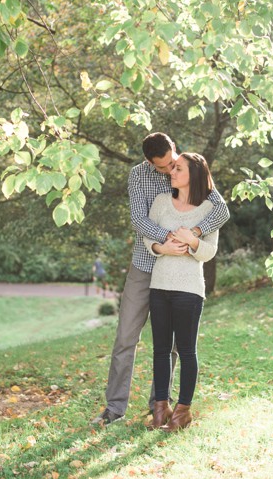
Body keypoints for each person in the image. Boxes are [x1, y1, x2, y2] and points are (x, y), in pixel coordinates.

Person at [91, 133, 229, 426]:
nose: (169, 171)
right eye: (162, 168)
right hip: (146, 263)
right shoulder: (139, 176)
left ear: (174, 151)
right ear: (149, 162)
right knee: (127, 335)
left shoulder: (185, 168)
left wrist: (194, 234)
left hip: (180, 271)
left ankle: (160, 402)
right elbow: (140, 220)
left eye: (171, 164)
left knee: (176, 344)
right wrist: (164, 242)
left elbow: (220, 209)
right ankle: (115, 407)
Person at [144, 152, 220, 430]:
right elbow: (147, 236)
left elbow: (209, 252)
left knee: (186, 351)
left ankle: (183, 412)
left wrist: (193, 241)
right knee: (160, 350)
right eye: (172, 168)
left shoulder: (208, 211)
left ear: (194, 175)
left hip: (189, 290)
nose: (172, 172)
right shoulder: (162, 202)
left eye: (178, 169)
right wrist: (161, 248)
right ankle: (160, 409)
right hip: (159, 285)